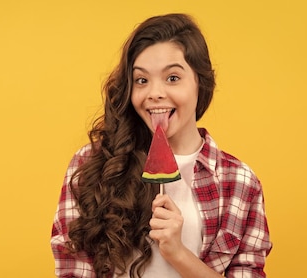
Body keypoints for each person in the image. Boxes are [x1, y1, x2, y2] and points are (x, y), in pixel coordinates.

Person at [50, 13, 272, 278]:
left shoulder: (240, 183)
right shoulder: (91, 165)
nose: (155, 93)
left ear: (200, 82)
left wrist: (178, 252)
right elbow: (73, 269)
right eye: (142, 80)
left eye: (173, 78)